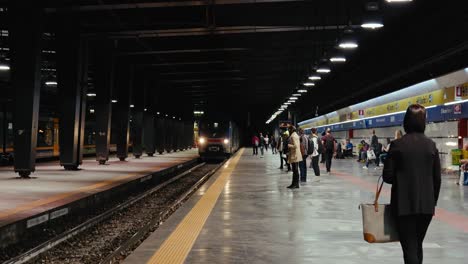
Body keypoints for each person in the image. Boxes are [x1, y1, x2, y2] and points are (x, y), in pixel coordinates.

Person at [383, 104, 441, 264]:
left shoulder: (397, 145)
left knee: (409, 247)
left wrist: (402, 177)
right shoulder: (431, 145)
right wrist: (432, 203)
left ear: (406, 121)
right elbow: (437, 179)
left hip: (403, 205)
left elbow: (387, 176)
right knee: (417, 245)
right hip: (427, 207)